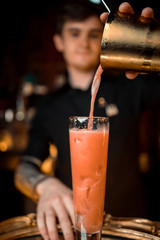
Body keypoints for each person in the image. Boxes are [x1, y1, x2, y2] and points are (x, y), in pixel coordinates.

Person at [14, 1, 160, 240]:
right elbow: (24, 166)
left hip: (130, 228)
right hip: (75, 229)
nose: (84, 43)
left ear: (104, 39)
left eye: (94, 34)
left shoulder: (133, 84)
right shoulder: (49, 105)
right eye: (74, 33)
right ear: (59, 42)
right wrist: (44, 185)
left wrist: (153, 49)